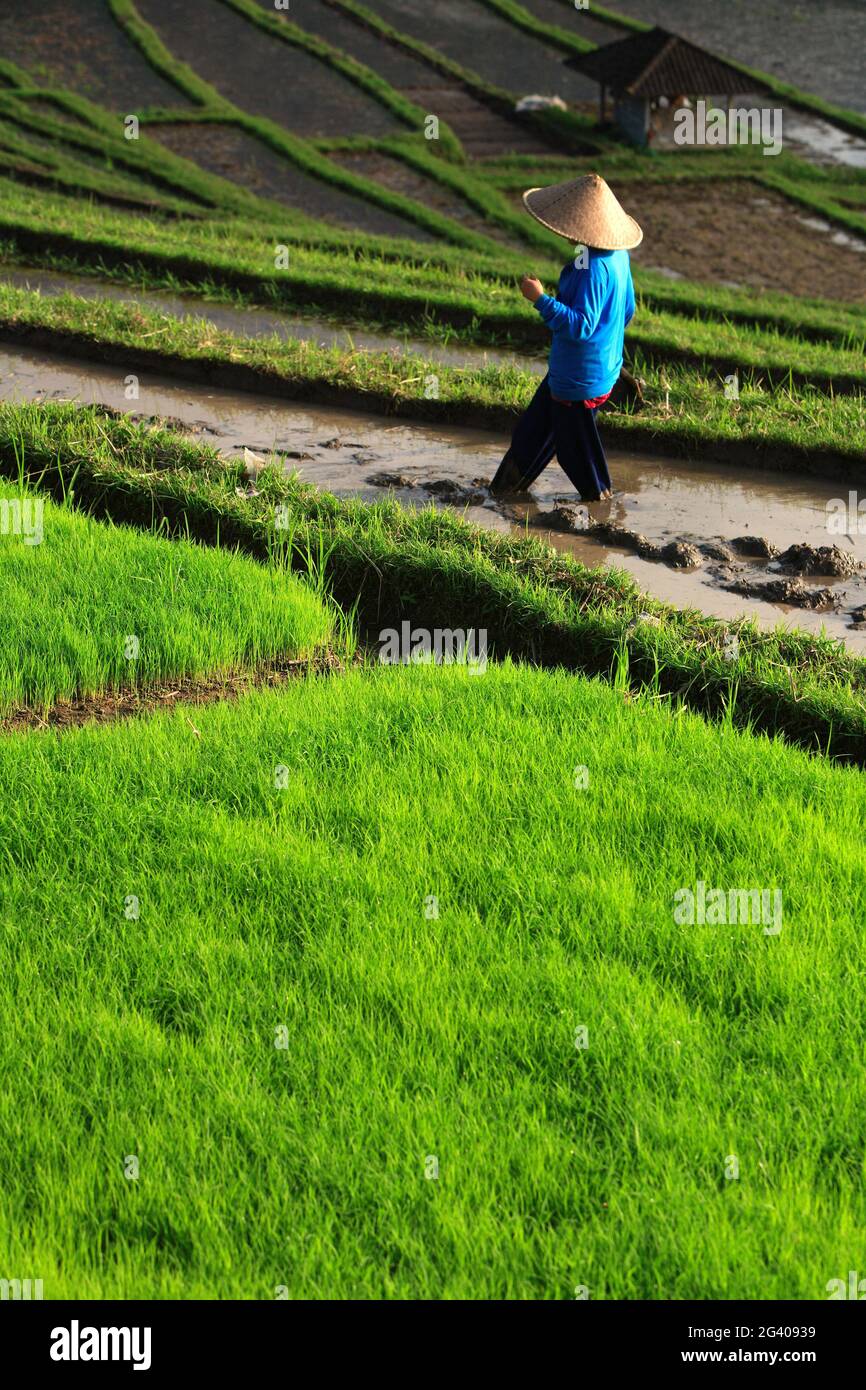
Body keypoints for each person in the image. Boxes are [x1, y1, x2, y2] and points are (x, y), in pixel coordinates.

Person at [490, 172, 641, 503]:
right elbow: (626, 310)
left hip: (580, 383)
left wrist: (540, 299)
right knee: (531, 434)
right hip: (580, 373)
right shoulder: (616, 257)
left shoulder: (590, 268)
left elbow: (581, 326)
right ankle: (501, 492)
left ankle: (603, 512)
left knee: (577, 457)